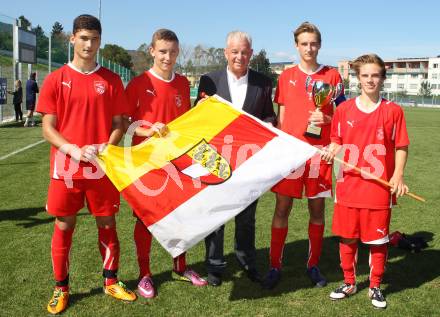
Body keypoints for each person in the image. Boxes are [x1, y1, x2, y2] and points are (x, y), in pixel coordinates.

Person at [36, 14, 136, 315]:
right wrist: (73, 150)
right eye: (83, 38)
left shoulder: (111, 80)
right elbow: (47, 127)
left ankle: (110, 281)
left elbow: (120, 122)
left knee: (107, 223)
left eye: (93, 39)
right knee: (65, 224)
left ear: (100, 42)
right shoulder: (56, 79)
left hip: (101, 166)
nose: (88, 44)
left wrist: (110, 144)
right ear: (72, 39)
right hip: (66, 167)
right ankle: (61, 287)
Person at [322, 53, 409, 309]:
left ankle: (374, 287)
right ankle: (349, 282)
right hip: (348, 186)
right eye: (365, 75)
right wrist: (331, 149)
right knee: (347, 238)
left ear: (382, 77)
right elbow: (337, 140)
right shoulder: (344, 109)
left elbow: (401, 146)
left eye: (375, 75)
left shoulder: (393, 111)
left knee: (377, 241)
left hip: (378, 189)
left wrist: (398, 175)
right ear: (358, 78)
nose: (370, 80)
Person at [125, 28, 207, 299]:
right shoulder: (137, 84)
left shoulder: (183, 83)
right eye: (162, 51)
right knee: (145, 219)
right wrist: (146, 131)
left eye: (172, 52)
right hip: (146, 164)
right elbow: (125, 125)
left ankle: (180, 267)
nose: (167, 57)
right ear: (152, 51)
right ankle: (144, 274)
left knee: (181, 215)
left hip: (176, 163)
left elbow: (185, 123)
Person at [263, 22, 345, 289]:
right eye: (304, 44)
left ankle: (313, 265)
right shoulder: (286, 77)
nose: (309, 48)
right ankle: (275, 265)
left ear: (319, 45)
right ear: (296, 46)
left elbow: (344, 117)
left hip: (319, 155)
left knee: (317, 210)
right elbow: (282, 118)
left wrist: (328, 117)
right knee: (282, 209)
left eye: (313, 43)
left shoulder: (332, 76)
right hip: (290, 155)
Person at [195, 31, 276, 287]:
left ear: (250, 54)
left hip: (249, 160)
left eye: (244, 51)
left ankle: (247, 262)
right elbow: (198, 117)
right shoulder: (209, 80)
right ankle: (215, 266)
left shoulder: (263, 82)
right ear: (226, 53)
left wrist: (266, 126)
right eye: (235, 51)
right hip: (214, 159)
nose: (239, 56)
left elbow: (269, 116)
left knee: (246, 217)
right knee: (215, 216)